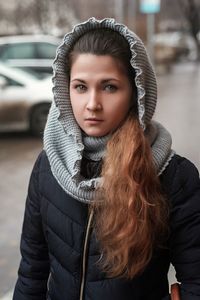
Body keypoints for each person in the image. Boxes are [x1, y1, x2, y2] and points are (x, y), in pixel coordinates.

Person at [13, 18, 200, 300]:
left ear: (136, 93)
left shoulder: (173, 176)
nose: (92, 104)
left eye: (109, 87)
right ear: (66, 90)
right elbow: (32, 271)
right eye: (80, 87)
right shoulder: (48, 165)